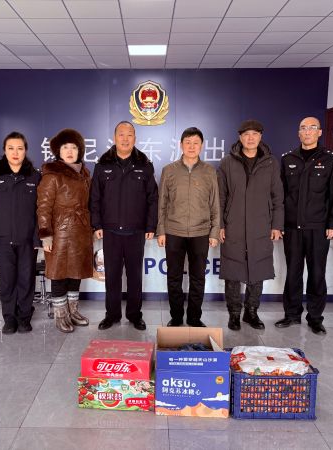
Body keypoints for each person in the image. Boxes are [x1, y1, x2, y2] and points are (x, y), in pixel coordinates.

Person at [275, 117, 333, 335]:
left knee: (316, 273)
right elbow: (280, 195)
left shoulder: (330, 159)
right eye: (303, 128)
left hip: (318, 227)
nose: (307, 132)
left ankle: (315, 318)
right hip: (292, 227)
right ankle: (292, 314)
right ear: (298, 133)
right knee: (293, 272)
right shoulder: (288, 159)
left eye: (312, 128)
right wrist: (279, 223)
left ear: (319, 132)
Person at [90, 121, 158, 331]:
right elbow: (95, 198)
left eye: (129, 135)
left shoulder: (144, 165)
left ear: (135, 139)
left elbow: (152, 199)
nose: (125, 139)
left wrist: (150, 226)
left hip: (136, 231)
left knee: (135, 276)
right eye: (121, 134)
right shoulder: (102, 165)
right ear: (114, 137)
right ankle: (111, 315)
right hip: (110, 230)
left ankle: (135, 315)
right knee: (112, 276)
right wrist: (97, 224)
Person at [218, 120, 284, 331]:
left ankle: (251, 312)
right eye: (246, 134)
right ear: (240, 137)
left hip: (260, 224)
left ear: (260, 137)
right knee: (233, 270)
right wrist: (220, 224)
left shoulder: (271, 162)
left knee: (258, 267)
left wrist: (277, 224)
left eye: (255, 134)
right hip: (234, 224)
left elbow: (277, 196)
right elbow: (220, 197)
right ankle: (234, 314)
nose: (250, 138)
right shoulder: (227, 162)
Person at [157, 127, 220, 327]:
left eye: (196, 143)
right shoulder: (169, 170)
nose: (192, 147)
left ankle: (194, 317)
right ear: (181, 145)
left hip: (201, 232)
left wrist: (214, 231)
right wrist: (161, 230)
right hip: (173, 231)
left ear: (202, 146)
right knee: (174, 277)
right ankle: (176, 317)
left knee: (198, 277)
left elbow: (215, 204)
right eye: (188, 142)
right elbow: (162, 203)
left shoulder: (209, 171)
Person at [0, 132, 41, 334]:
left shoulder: (35, 176)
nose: (15, 153)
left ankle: (24, 317)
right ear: (4, 151)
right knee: (7, 280)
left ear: (26, 151)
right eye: (11, 148)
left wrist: (37, 238)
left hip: (27, 239)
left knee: (26, 279)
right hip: (2, 239)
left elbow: (40, 211)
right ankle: (9, 318)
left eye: (20, 148)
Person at [36, 129, 93, 333]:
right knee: (59, 274)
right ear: (58, 151)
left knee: (76, 273)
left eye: (74, 147)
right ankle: (60, 315)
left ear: (80, 151)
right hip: (60, 233)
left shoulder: (84, 174)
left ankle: (73, 311)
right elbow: (43, 206)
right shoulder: (52, 175)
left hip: (80, 231)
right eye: (65, 147)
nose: (70, 151)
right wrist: (45, 234)